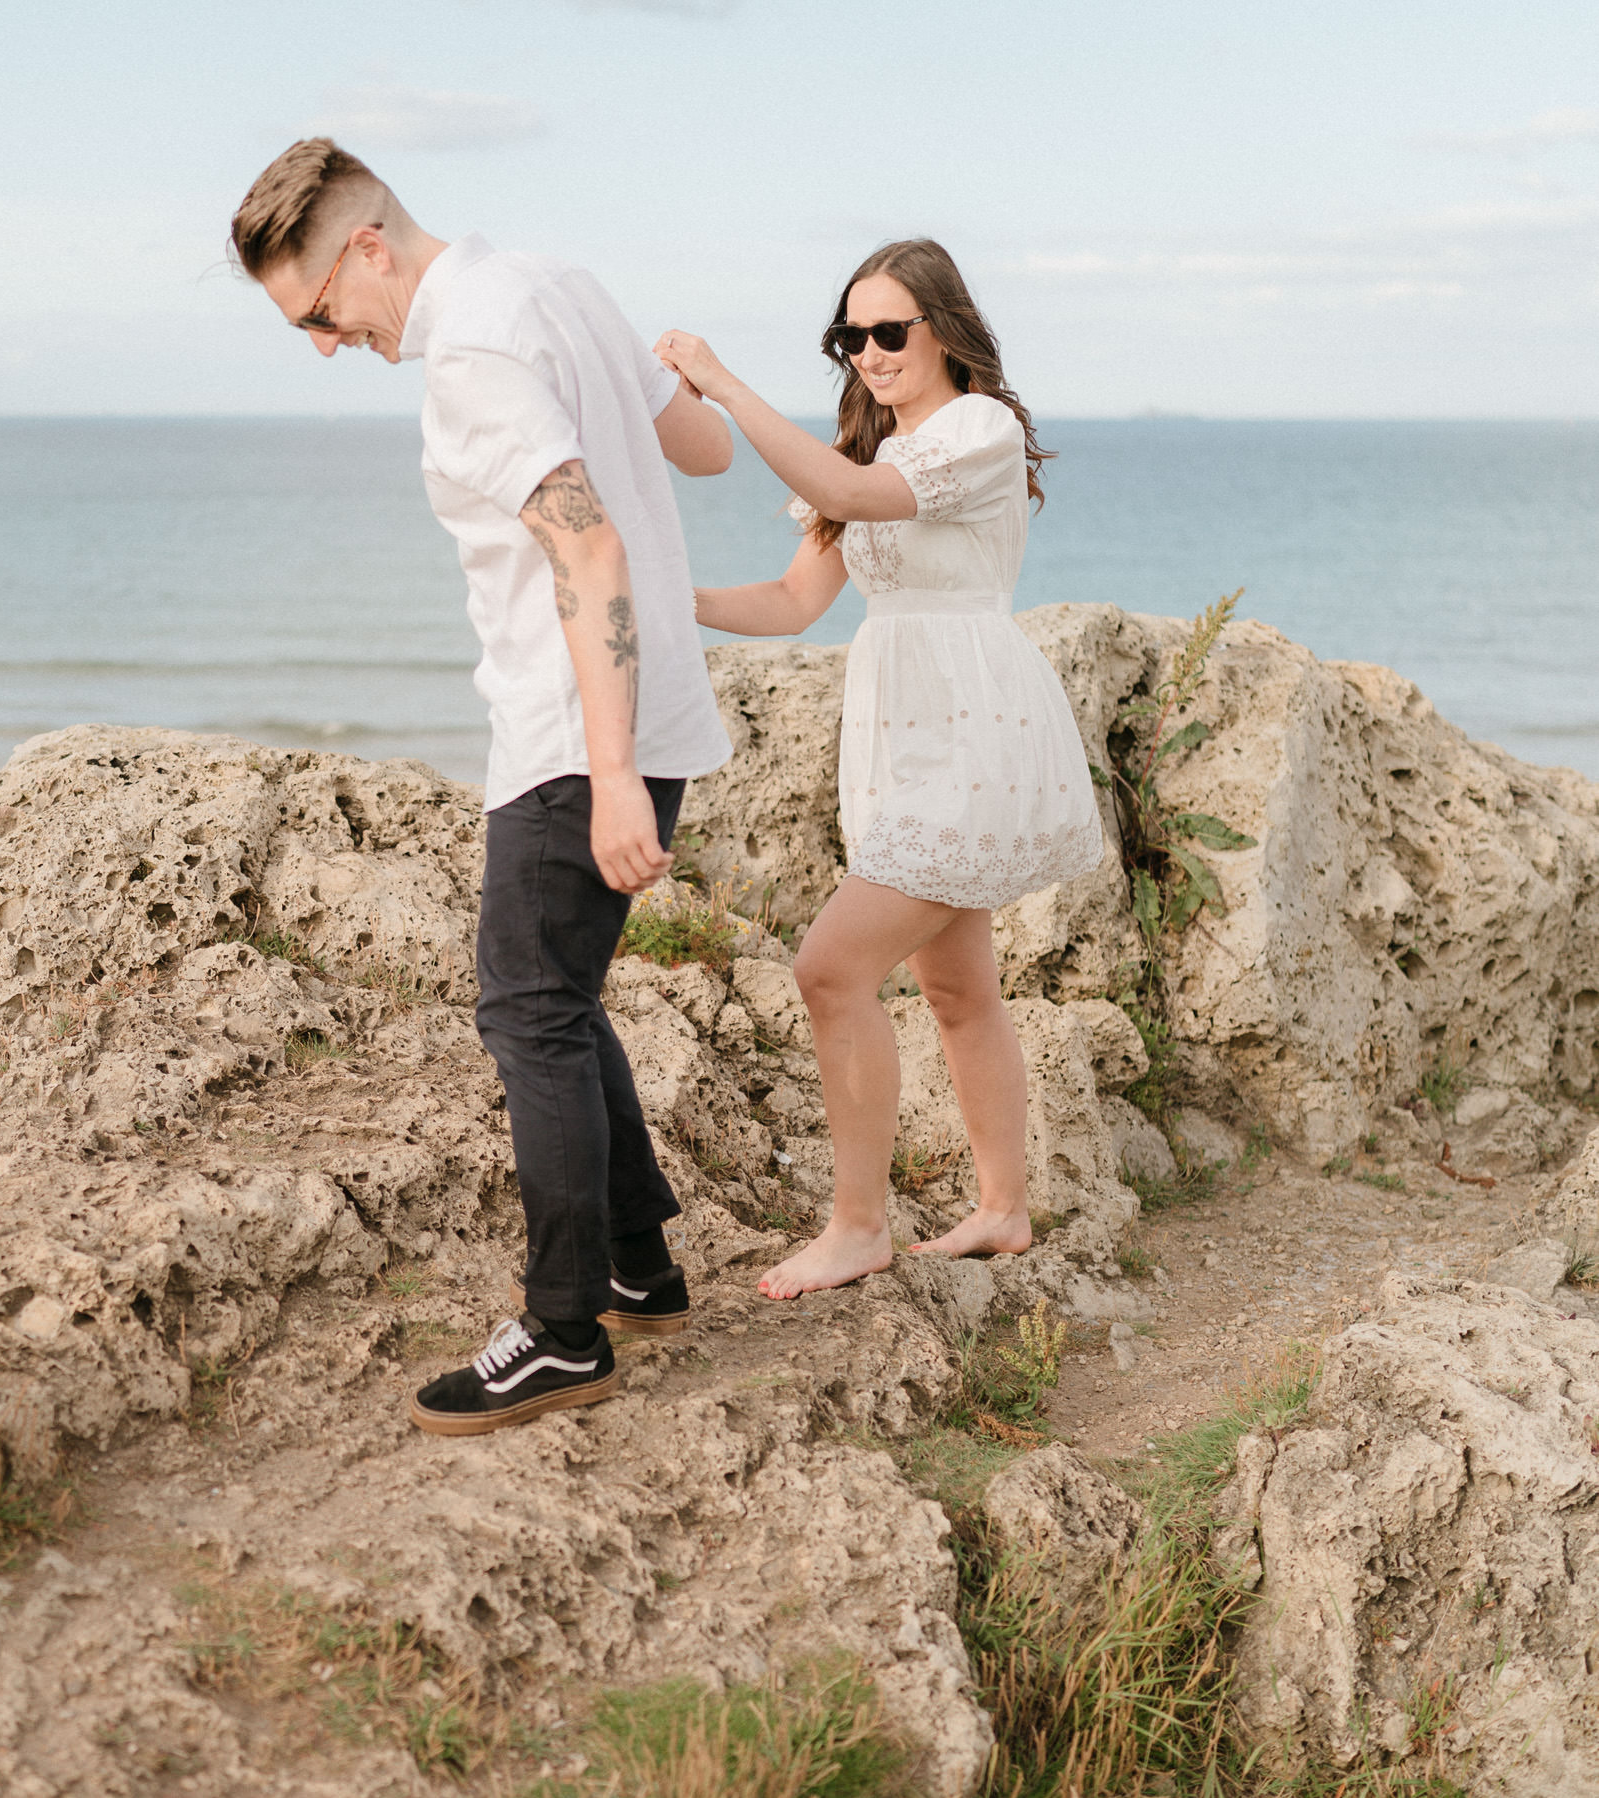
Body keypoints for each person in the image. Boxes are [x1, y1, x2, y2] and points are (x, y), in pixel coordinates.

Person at [228, 139, 736, 1434]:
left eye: (320, 312)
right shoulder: (557, 283)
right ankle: (638, 1266)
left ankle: (564, 1329)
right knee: (560, 995)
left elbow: (589, 543)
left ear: (369, 247)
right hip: (636, 716)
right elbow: (704, 449)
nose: (327, 345)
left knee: (528, 1013)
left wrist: (607, 774)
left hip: (578, 731)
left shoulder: (469, 355)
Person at [652, 238, 1099, 1299]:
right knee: (957, 985)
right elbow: (790, 603)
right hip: (904, 736)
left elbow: (851, 493)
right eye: (849, 337)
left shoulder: (977, 430)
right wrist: (667, 596)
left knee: (829, 969)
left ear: (943, 329)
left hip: (970, 731)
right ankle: (1002, 1210)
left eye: (889, 331)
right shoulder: (870, 448)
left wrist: (724, 385)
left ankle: (858, 1226)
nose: (869, 353)